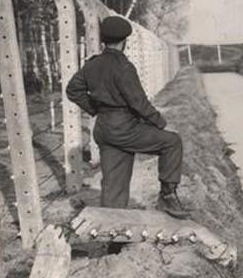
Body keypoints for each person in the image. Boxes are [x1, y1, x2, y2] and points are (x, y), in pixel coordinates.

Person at [66, 15, 190, 219]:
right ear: (124, 41)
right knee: (172, 142)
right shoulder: (123, 66)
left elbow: (72, 90)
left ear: (103, 40)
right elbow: (138, 102)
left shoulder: (92, 65)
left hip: (103, 128)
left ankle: (112, 230)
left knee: (114, 185)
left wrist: (95, 109)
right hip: (124, 127)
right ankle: (167, 196)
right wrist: (161, 123)